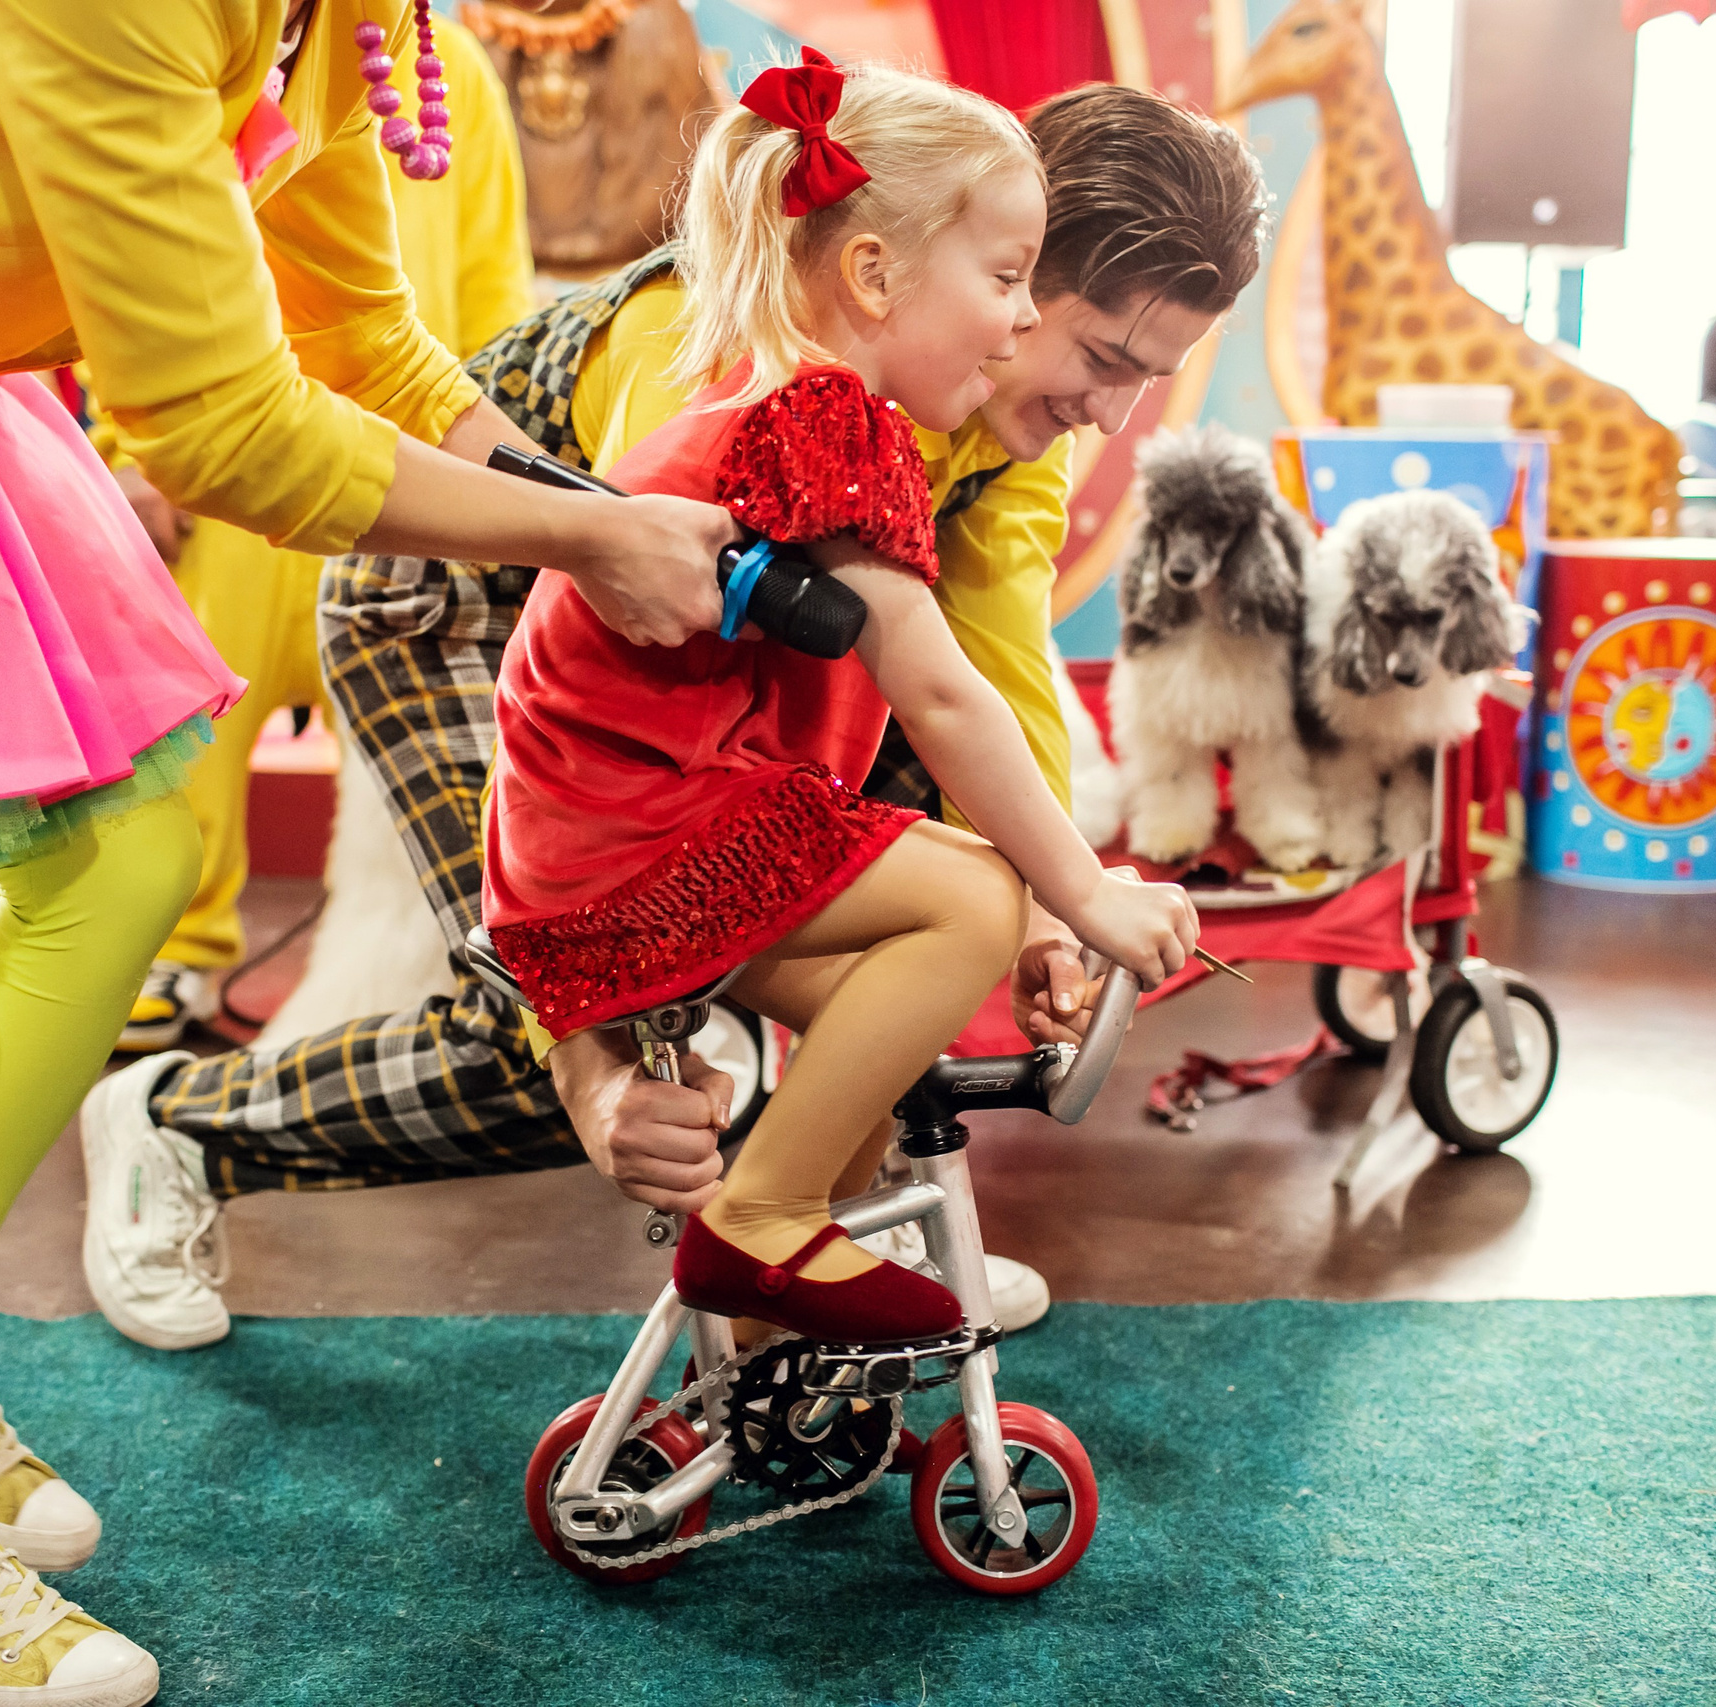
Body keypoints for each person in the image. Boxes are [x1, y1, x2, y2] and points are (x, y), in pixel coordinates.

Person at [0, 1, 730, 1702]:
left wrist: (593, 517)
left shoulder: (355, 21)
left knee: (133, 851)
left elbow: (358, 335)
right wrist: (586, 539)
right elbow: (218, 427)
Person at [80, 81, 1268, 1347]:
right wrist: (597, 1061)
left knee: (897, 938)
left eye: (1149, 379)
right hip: (470, 607)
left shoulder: (971, 407)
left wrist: (1046, 909)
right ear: (928, 271)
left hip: (690, 685)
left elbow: (990, 673)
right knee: (547, 1043)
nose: (1111, 412)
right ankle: (173, 1125)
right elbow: (612, 677)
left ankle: (809, 1252)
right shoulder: (746, 371)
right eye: (1099, 356)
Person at [483, 50, 1202, 1343]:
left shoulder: (785, 398)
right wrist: (1081, 893)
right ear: (871, 275)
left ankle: (778, 1336)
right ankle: (760, 1222)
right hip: (628, 828)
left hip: (602, 833)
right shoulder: (827, 421)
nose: (1015, 321)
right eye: (1004, 282)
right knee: (972, 895)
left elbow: (996, 665)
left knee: (886, 1012)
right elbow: (942, 695)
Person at [115, 8, 535, 1051]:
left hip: (409, 473)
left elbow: (490, 288)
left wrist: (503, 475)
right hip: (225, 469)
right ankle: (170, 943)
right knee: (186, 731)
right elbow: (120, 264)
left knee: (425, 775)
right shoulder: (203, 36)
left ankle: (434, 964)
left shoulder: (447, 73)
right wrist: (123, 449)